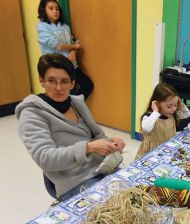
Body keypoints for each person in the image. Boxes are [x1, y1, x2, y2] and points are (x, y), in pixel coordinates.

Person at [16, 54, 125, 201]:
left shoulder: (76, 103)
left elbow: (98, 136)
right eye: (51, 81)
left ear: (72, 83)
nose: (59, 88)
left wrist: (112, 142)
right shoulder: (31, 113)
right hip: (75, 182)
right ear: (42, 81)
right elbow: (45, 158)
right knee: (118, 213)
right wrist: (88, 147)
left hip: (103, 168)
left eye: (64, 81)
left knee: (140, 195)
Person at [37, 0, 94, 100]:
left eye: (57, 9)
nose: (55, 11)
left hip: (71, 65)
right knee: (59, 94)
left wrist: (73, 52)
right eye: (51, 8)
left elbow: (74, 42)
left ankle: (72, 106)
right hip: (55, 68)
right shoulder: (42, 26)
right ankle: (60, 112)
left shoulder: (65, 27)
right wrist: (74, 47)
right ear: (44, 10)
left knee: (88, 85)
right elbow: (57, 45)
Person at [136, 83, 190, 158]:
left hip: (166, 150)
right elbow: (146, 128)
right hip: (150, 153)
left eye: (175, 105)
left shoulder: (171, 115)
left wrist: (180, 105)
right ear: (157, 103)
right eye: (169, 106)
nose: (174, 109)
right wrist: (155, 111)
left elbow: (186, 114)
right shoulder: (150, 116)